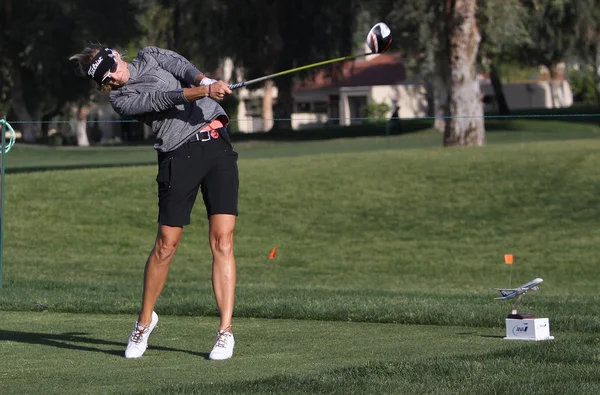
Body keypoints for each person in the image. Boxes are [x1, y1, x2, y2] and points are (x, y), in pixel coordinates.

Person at [69, 44, 238, 360]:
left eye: (112, 70)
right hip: (178, 156)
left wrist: (203, 81)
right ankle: (144, 322)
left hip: (217, 146)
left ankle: (225, 331)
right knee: (166, 245)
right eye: (106, 79)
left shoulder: (149, 55)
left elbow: (181, 65)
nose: (114, 80)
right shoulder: (121, 100)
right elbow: (163, 99)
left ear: (116, 54)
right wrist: (203, 92)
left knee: (223, 242)